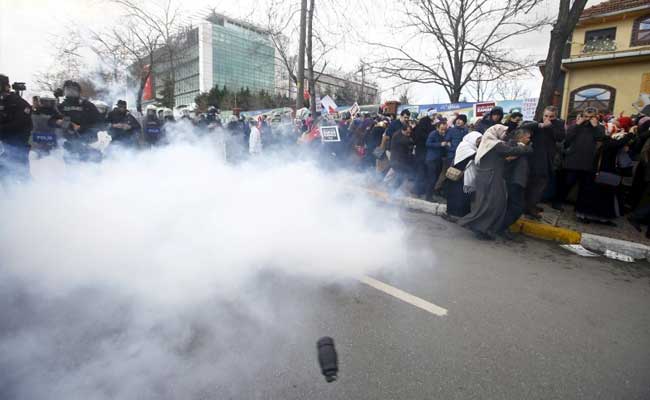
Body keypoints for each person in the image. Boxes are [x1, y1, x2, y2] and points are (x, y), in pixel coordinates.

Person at [458, 124, 532, 240]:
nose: (505, 135)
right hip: (492, 177)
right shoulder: (495, 144)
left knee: (487, 204)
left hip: (487, 176)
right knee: (494, 204)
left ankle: (482, 228)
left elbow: (500, 156)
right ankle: (479, 228)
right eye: (503, 132)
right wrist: (523, 146)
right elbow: (512, 150)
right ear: (496, 132)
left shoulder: (488, 142)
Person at [553, 107, 605, 211]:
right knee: (567, 183)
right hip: (572, 160)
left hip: (588, 161)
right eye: (586, 117)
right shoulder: (576, 125)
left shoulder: (599, 127)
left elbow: (600, 138)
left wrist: (595, 127)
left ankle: (580, 209)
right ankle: (558, 202)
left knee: (584, 187)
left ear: (596, 117)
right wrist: (577, 125)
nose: (588, 119)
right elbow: (567, 138)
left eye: (591, 117)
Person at [522, 106, 566, 219]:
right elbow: (523, 128)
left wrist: (550, 126)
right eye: (546, 116)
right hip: (534, 159)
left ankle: (531, 206)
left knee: (540, 185)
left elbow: (560, 137)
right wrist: (540, 125)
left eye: (551, 117)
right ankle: (528, 207)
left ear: (555, 116)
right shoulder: (537, 124)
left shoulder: (557, 125)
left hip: (547, 160)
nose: (548, 118)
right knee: (533, 184)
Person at [500, 128, 533, 239]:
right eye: (528, 137)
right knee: (517, 207)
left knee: (512, 206)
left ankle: (502, 227)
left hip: (518, 181)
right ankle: (501, 227)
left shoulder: (522, 147)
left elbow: (529, 150)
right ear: (521, 137)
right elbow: (506, 159)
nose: (529, 140)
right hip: (513, 181)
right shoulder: (510, 146)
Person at [0, 74, 33, 181]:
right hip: (3, 143)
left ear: (5, 87)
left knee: (20, 173)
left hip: (16, 144)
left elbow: (21, 124)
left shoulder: (18, 102)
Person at [445, 131, 483, 220]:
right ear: (472, 138)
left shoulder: (471, 147)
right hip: (458, 175)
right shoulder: (466, 147)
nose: (478, 142)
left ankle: (460, 214)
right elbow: (475, 157)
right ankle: (454, 214)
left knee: (462, 196)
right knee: (458, 196)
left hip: (462, 175)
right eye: (478, 140)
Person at [413, 110, 436, 196]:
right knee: (422, 172)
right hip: (423, 152)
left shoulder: (421, 126)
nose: (434, 117)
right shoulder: (426, 127)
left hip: (421, 152)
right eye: (433, 115)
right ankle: (418, 191)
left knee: (421, 172)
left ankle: (419, 190)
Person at [385, 123, 414, 191]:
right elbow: (408, 142)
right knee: (401, 175)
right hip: (397, 160)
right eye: (407, 133)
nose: (409, 134)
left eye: (410, 133)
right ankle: (392, 190)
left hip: (401, 160)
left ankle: (391, 189)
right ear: (403, 130)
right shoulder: (397, 136)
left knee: (399, 175)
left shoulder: (403, 135)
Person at [424, 121, 447, 201]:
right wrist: (440, 144)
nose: (443, 131)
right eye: (441, 129)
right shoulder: (433, 134)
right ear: (437, 128)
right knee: (432, 178)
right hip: (431, 159)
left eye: (444, 129)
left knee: (436, 178)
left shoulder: (444, 135)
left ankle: (430, 194)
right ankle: (428, 196)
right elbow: (428, 144)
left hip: (439, 159)